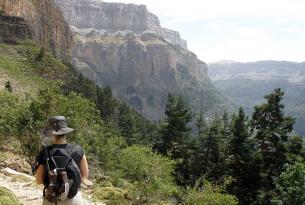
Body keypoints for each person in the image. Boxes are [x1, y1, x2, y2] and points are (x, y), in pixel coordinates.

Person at [34, 116, 89, 205]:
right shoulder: (78, 150)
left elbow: (39, 180)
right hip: (73, 198)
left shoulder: (45, 151)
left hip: (51, 198)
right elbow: (85, 175)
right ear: (65, 132)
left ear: (52, 133)